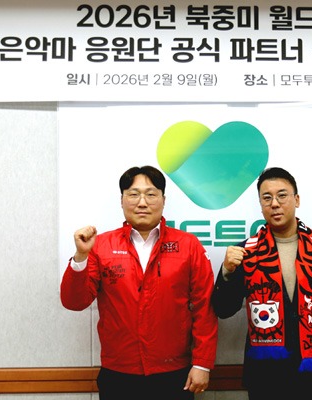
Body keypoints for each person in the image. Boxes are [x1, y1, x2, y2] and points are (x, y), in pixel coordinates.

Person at [60, 165, 218, 400]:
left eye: (151, 194)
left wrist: (202, 363)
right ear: (122, 200)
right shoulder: (100, 246)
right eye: (133, 194)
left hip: (174, 372)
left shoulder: (188, 246)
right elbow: (74, 302)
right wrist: (81, 256)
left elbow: (204, 309)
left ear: (163, 200)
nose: (142, 202)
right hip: (119, 372)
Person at [212, 167, 312, 400]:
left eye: (282, 195)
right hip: (265, 374)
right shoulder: (246, 251)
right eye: (267, 198)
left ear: (296, 200)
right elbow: (223, 309)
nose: (275, 204)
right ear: (261, 204)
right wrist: (227, 272)